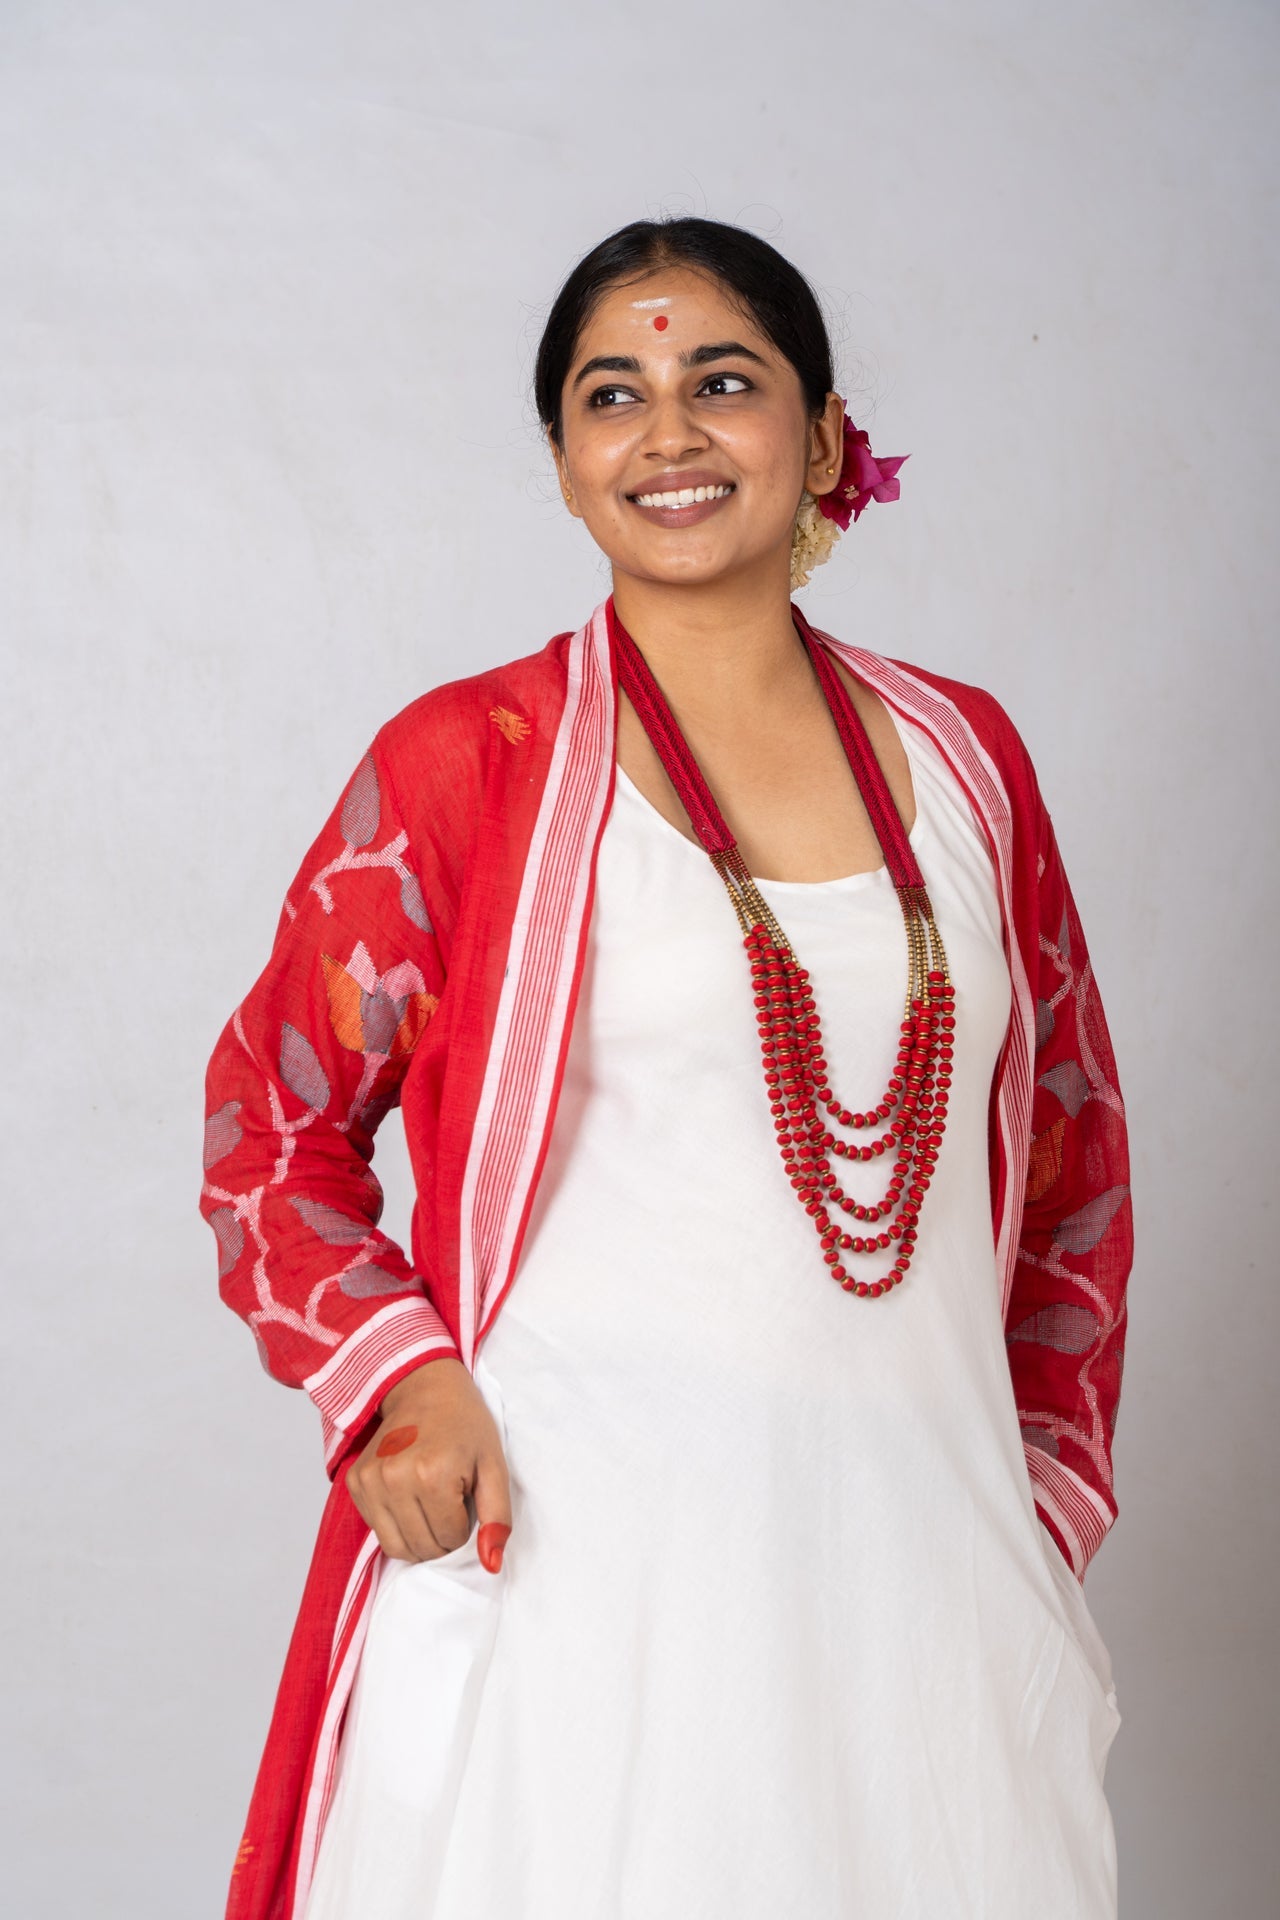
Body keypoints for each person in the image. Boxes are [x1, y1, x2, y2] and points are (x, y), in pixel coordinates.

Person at [200, 216, 1133, 1920]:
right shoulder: (469, 763)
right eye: (611, 397)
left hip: (921, 1612)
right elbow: (269, 1130)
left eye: (724, 382)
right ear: (565, 465)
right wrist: (404, 1382)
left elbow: (1073, 1168)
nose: (669, 434)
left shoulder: (969, 760)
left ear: (826, 438)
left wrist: (1036, 1514)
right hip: (576, 1588)